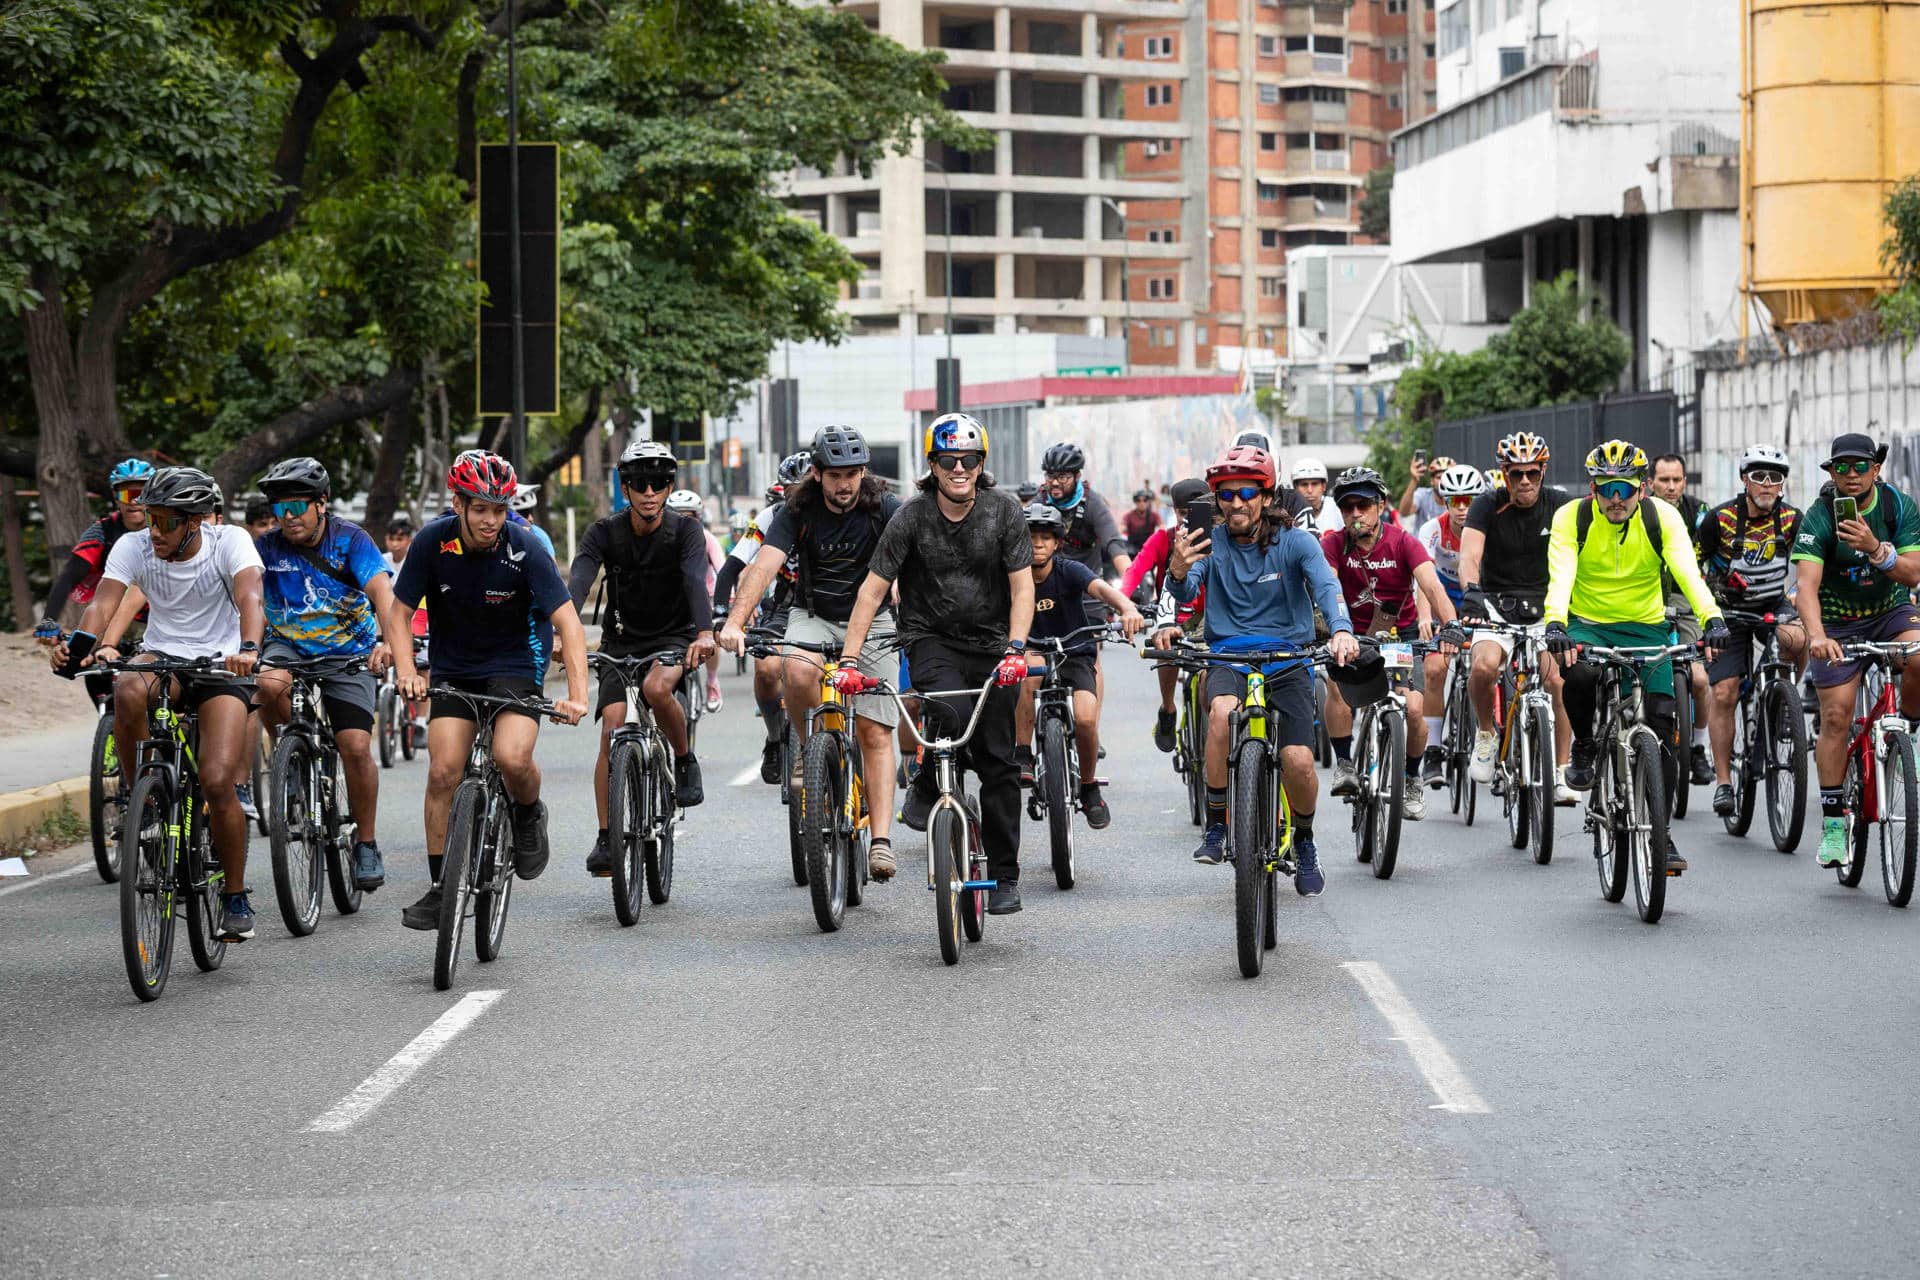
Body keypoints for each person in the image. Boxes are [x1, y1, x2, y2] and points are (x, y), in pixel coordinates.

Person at [52, 467, 266, 941]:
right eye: (150, 519)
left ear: (195, 522)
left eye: (165, 522)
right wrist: (80, 645)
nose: (153, 532)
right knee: (127, 689)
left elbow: (251, 596)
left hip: (220, 666)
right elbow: (103, 604)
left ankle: (234, 895)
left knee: (216, 781)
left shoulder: (228, 541)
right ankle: (141, 799)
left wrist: (248, 650)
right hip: (163, 656)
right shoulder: (134, 547)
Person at [834, 412, 1035, 915]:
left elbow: (1022, 586)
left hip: (994, 647)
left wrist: (1016, 648)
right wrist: (850, 659)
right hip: (931, 640)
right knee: (944, 714)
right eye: (949, 460)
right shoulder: (910, 517)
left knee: (998, 762)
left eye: (970, 460)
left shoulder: (1004, 512)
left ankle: (1005, 876)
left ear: (981, 464)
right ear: (934, 465)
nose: (960, 468)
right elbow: (872, 590)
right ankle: (929, 775)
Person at [382, 450, 588, 930]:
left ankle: (528, 812)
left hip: (514, 665)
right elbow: (397, 613)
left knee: (512, 758)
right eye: (480, 509)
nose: (491, 520)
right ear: (458, 504)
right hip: (454, 667)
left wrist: (578, 694)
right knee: (442, 772)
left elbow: (568, 623)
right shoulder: (432, 542)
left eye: (499, 509)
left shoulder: (524, 546)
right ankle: (440, 886)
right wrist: (408, 669)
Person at [720, 427, 908, 878]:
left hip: (875, 621)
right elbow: (763, 566)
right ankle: (809, 748)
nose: (845, 485)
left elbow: (916, 558)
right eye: (836, 475)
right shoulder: (797, 511)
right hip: (815, 613)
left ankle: (880, 840)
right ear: (818, 474)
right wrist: (733, 622)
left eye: (853, 474)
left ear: (864, 472)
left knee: (874, 731)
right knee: (797, 673)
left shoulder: (886, 508)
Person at [1169, 443, 1357, 887]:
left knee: (1298, 760)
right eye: (1226, 494)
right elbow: (1184, 592)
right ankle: (1217, 824)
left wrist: (1342, 629)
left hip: (1288, 658)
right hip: (1228, 655)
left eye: (1248, 492)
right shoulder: (1208, 542)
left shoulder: (1297, 544)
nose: (1237, 502)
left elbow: (1327, 588)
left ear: (1267, 497)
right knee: (1219, 714)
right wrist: (1177, 570)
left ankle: (1305, 841)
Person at [1543, 441, 1727, 873]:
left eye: (1625, 489)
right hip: (1587, 623)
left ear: (1642, 489)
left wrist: (1712, 617)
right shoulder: (1572, 517)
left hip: (1648, 628)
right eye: (1607, 489)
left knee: (1662, 725)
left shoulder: (1663, 517)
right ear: (1593, 489)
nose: (1616, 499)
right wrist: (1556, 623)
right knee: (1581, 677)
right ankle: (1586, 745)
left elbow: (1686, 571)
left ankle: (1660, 833)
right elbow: (1561, 573)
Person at [568, 442, 715, 876]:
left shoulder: (686, 532)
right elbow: (577, 580)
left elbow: (693, 581)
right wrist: (565, 629)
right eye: (639, 483)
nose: (649, 492)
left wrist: (705, 632)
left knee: (655, 688)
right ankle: (606, 837)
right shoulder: (603, 532)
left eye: (659, 483)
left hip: (674, 636)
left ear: (670, 487)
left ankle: (684, 760)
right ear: (625, 487)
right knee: (612, 727)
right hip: (621, 640)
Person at [249, 457, 395, 894]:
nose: (288, 518)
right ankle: (290, 756)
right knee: (267, 683)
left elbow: (382, 592)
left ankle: (366, 842)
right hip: (287, 646)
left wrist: (388, 641)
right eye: (280, 509)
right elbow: (245, 595)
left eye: (297, 506)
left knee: (354, 745)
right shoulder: (266, 548)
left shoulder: (351, 540)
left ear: (322, 503)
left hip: (349, 652)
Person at [1789, 431, 1920, 868]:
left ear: (1876, 470)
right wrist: (1816, 635)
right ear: (1831, 472)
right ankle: (1832, 824)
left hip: (1890, 610)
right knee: (1836, 716)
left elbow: (1913, 574)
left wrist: (1876, 551)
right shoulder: (1820, 516)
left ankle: (1911, 734)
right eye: (1840, 467)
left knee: (1919, 656)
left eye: (1859, 466)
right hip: (1838, 623)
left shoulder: (1897, 507)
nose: (1850, 474)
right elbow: (1806, 586)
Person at [1320, 467, 1458, 822]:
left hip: (1402, 636)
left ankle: (1412, 779)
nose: (1355, 513)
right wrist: (1336, 632)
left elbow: (1432, 587)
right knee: (1336, 689)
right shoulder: (1333, 544)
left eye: (1363, 505)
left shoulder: (1403, 541)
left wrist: (1453, 627)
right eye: (1347, 506)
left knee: (1414, 709)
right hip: (1351, 634)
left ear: (1379, 505)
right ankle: (1346, 764)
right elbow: (1330, 587)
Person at [1457, 432, 1574, 800]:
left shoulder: (1561, 505)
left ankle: (1560, 771)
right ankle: (1486, 733)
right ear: (1504, 474)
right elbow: (1469, 557)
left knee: (1557, 681)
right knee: (1483, 667)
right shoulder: (1485, 506)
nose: (1524, 481)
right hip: (1495, 601)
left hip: (1546, 604)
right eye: (1516, 474)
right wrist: (1471, 593)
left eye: (1532, 473)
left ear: (1543, 471)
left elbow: (1576, 558)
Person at [1014, 502, 1146, 828]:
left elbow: (1102, 590)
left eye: (1046, 537)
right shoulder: (1014, 576)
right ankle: (1022, 753)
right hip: (1032, 651)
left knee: (1086, 720)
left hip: (1074, 653)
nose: (1038, 544)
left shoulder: (1068, 570)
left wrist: (1128, 608)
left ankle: (1088, 787)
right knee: (1028, 676)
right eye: (1031, 537)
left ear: (1058, 543)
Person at [1698, 444, 1805, 818]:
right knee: (1725, 691)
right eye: (1758, 475)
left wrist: (1796, 597)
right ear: (1744, 479)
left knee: (1798, 637)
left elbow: (1807, 566)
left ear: (1781, 485)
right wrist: (1709, 605)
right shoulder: (1719, 519)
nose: (1766, 483)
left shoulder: (1793, 519)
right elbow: (1695, 564)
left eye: (1774, 477)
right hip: (1728, 610)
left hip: (1773, 604)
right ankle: (1725, 782)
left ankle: (1788, 697)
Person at [713, 451, 812, 782]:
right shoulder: (771, 518)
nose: (799, 498)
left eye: (806, 489)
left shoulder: (835, 512)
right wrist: (721, 614)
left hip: (833, 605)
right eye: (791, 491)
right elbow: (732, 566)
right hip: (785, 606)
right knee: (768, 669)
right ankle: (774, 738)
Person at [1122, 477, 1210, 751]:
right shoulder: (1163, 539)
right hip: (1170, 619)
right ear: (1175, 511)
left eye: (1196, 512)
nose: (1188, 519)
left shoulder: (1223, 540)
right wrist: (1122, 603)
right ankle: (1168, 709)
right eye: (1183, 513)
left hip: (1210, 620)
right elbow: (1135, 570)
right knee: (1166, 647)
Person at [1414, 463, 1485, 785]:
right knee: (1434, 669)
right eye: (1454, 501)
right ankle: (1432, 750)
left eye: (1468, 500)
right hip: (1443, 602)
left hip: (1481, 602)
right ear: (1445, 502)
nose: (1461, 508)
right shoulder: (1432, 529)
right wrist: (1425, 617)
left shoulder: (1489, 528)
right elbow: (1424, 581)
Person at [35, 457, 153, 646]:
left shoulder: (166, 528)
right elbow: (69, 576)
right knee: (85, 654)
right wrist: (48, 621)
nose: (133, 502)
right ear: (115, 498)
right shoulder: (102, 531)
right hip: (114, 613)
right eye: (125, 495)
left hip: (162, 616)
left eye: (140, 494)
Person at [1649, 453, 1714, 786]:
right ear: (1650, 483)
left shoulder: (1700, 513)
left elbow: (1715, 553)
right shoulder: (1640, 511)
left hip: (1686, 601)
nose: (1671, 487)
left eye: (1677, 480)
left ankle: (1699, 748)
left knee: (1700, 680)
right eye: (1664, 480)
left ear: (1684, 482)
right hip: (1647, 600)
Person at [667, 488, 727, 711]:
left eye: (688, 516)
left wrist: (726, 602)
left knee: (711, 636)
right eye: (676, 515)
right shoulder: (662, 539)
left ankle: (712, 681)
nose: (682, 521)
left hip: (706, 597)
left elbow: (722, 571)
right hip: (673, 601)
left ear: (698, 518)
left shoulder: (707, 539)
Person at [1039, 441, 1131, 581]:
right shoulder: (1041, 501)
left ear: (1077, 476)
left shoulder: (1093, 503)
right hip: (1051, 585)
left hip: (1088, 587)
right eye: (1050, 476)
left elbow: (1114, 543)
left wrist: (1132, 584)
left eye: (1063, 477)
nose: (1055, 483)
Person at [1397, 454, 1455, 528]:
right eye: (1439, 477)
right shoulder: (1423, 495)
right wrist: (1414, 480)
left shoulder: (1459, 501)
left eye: (1447, 477)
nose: (1443, 481)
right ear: (1432, 481)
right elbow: (1404, 512)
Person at [1290, 457, 1336, 535]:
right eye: (1304, 484)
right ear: (1295, 488)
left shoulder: (1337, 508)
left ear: (1324, 486)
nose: (1310, 490)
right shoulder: (1287, 513)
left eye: (1315, 484)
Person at [1123, 488, 1160, 556]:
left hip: (1149, 547)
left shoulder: (1154, 515)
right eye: (1138, 500)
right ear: (1135, 502)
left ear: (1148, 502)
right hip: (1133, 548)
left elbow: (1162, 528)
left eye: (1145, 500)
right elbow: (1121, 528)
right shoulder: (1129, 515)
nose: (1142, 503)